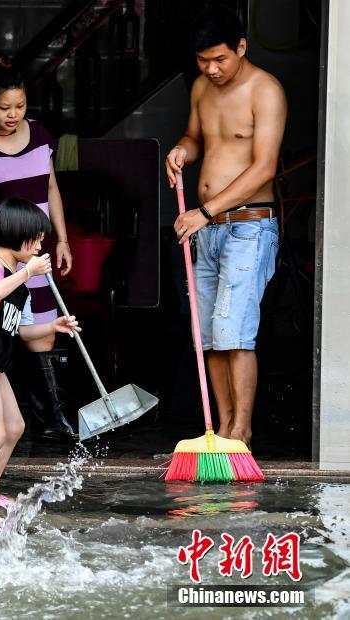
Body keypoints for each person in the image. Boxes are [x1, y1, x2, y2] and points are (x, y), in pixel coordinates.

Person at [166, 5, 285, 449]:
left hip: (248, 227)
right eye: (203, 60)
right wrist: (181, 150)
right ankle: (220, 432)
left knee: (235, 332)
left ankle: (242, 433)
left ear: (241, 46)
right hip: (210, 230)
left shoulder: (265, 90)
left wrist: (206, 211)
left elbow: (264, 168)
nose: (211, 69)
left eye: (220, 58)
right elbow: (197, 137)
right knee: (210, 336)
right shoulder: (201, 86)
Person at [0, 54, 76, 441]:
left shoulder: (40, 136)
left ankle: (51, 420)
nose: (13, 114)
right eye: (4, 107)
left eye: (20, 106)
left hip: (34, 257)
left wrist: (63, 239)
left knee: (41, 333)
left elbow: (51, 188)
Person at [0, 199, 80, 529]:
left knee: (15, 427)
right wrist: (27, 272)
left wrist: (53, 326)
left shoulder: (19, 282)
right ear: (17, 235)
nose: (40, 247)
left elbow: (23, 331)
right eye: (36, 240)